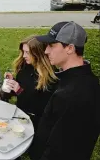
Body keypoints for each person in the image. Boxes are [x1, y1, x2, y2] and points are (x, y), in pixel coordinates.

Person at [30, 21, 100, 160]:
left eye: (51, 45)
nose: (46, 51)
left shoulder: (72, 94)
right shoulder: (86, 79)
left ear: (70, 48)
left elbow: (62, 149)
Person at [0, 36, 58, 130]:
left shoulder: (50, 76)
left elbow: (41, 106)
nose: (24, 55)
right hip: (20, 118)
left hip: (37, 125)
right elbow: (21, 90)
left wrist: (19, 90)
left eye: (28, 52)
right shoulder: (25, 68)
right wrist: (12, 84)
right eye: (23, 52)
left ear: (38, 54)